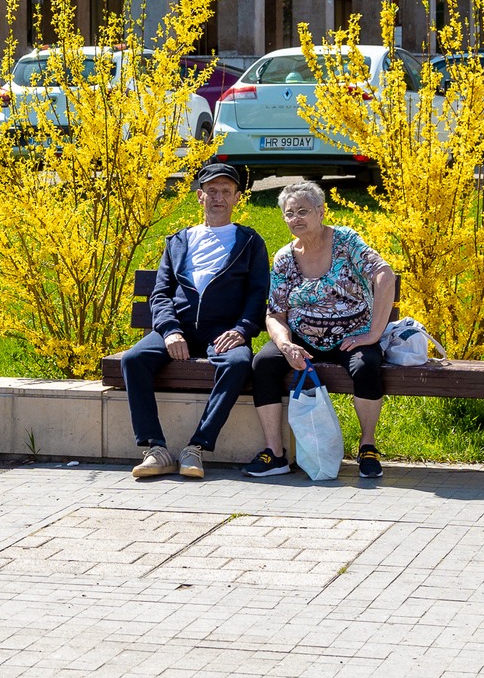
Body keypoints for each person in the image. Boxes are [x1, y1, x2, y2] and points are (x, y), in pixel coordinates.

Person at [119, 163, 272, 479]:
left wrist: (242, 330)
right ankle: (155, 450)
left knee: (239, 363)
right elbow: (160, 294)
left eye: (226, 192)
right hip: (179, 329)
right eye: (212, 191)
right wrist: (171, 330)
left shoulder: (250, 242)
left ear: (237, 198)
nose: (219, 198)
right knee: (134, 359)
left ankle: (196, 448)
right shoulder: (179, 241)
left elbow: (258, 294)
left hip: (223, 330)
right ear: (200, 197)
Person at [247, 180, 397, 480]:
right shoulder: (284, 258)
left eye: (303, 211)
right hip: (303, 336)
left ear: (321, 212)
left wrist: (373, 334)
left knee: (366, 366)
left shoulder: (345, 241)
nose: (296, 219)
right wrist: (287, 345)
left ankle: (368, 446)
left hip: (352, 333)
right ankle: (275, 453)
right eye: (290, 214)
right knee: (263, 363)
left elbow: (384, 274)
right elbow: (275, 313)